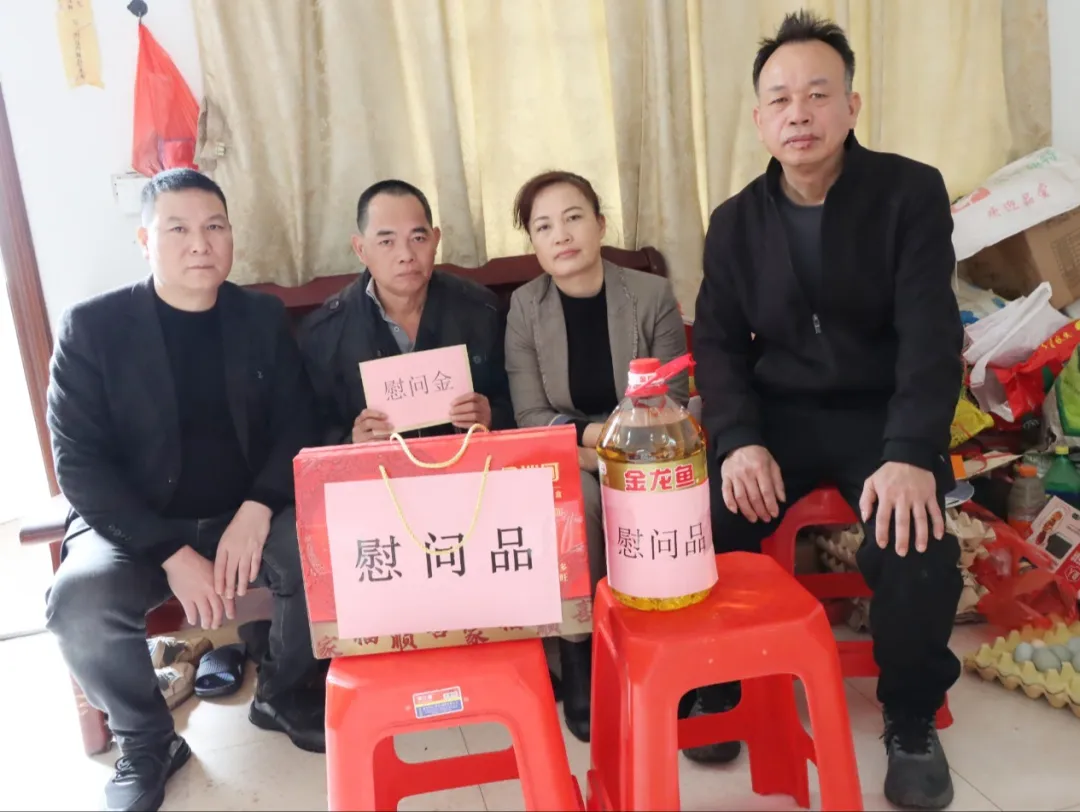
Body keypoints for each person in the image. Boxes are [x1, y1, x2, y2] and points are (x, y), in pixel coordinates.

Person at [693, 11, 963, 810]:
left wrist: (910, 450)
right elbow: (718, 346)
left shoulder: (909, 193)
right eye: (780, 99)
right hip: (778, 419)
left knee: (916, 544)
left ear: (852, 105)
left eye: (818, 93)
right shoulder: (734, 223)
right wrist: (738, 439)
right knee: (702, 519)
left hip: (884, 418)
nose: (799, 113)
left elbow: (930, 333)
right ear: (759, 120)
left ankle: (910, 717)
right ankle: (719, 681)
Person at [45, 169, 325, 812]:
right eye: (178, 229)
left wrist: (258, 506)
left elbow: (297, 423)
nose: (200, 243)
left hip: (243, 512)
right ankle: (147, 741)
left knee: (321, 549)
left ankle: (283, 694)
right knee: (79, 602)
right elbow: (79, 465)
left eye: (214, 226)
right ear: (146, 240)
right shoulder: (93, 328)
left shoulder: (259, 316)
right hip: (136, 526)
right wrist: (170, 553)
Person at [503, 170, 689, 742]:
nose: (561, 235)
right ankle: (581, 655)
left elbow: (673, 400)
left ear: (601, 224)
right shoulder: (525, 307)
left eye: (573, 218)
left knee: (666, 499)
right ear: (534, 244)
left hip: (650, 449)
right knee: (579, 505)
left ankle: (670, 654)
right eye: (543, 226)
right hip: (570, 455)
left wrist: (617, 450)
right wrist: (595, 445)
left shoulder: (650, 295)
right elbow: (530, 416)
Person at [298, 179, 514, 444]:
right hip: (375, 469)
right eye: (387, 241)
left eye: (418, 238)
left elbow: (517, 402)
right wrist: (351, 441)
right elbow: (308, 429)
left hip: (470, 464)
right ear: (361, 249)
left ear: (435, 240)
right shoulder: (325, 331)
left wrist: (492, 417)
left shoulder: (481, 310)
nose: (406, 255)